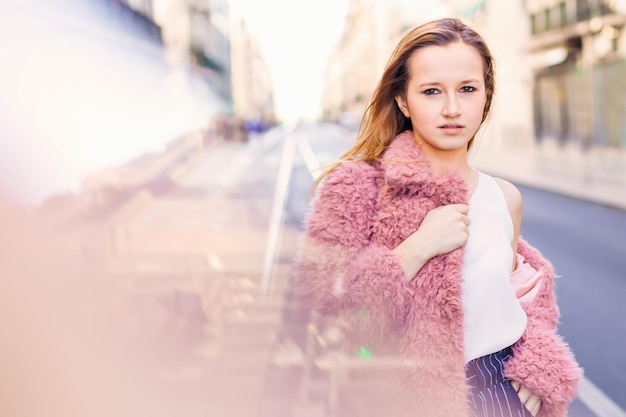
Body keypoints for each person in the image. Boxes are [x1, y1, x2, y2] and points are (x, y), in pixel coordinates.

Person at [294, 17, 582, 417]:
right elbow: (321, 314)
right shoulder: (357, 188)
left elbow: (524, 299)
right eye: (431, 91)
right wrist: (417, 248)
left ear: (486, 96)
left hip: (500, 394)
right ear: (402, 101)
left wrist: (539, 367)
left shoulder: (504, 198)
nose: (452, 108)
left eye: (467, 89)